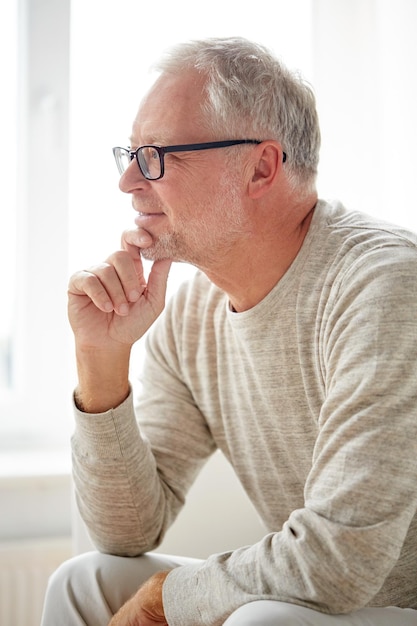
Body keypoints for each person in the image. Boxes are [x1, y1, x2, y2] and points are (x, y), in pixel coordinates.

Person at [41, 36, 417, 626]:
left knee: (262, 620)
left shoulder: (384, 286)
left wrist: (167, 598)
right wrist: (101, 360)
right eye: (130, 154)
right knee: (85, 581)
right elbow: (126, 532)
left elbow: (341, 559)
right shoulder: (191, 314)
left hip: (396, 602)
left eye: (158, 155)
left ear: (261, 167)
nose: (129, 182)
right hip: (338, 601)